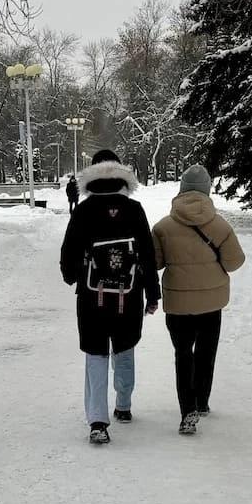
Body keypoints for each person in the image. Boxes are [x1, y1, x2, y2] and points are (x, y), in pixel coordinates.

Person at [59, 149, 160, 445]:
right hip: (128, 295)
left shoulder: (84, 210)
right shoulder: (134, 208)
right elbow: (148, 254)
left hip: (92, 297)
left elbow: (69, 253)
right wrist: (152, 294)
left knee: (96, 354)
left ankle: (97, 422)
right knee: (125, 348)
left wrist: (74, 275)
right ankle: (124, 405)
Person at [152, 164, 245, 436]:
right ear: (207, 190)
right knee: (206, 352)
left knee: (183, 354)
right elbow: (235, 261)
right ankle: (202, 400)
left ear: (181, 189)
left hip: (178, 304)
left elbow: (155, 263)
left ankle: (187, 411)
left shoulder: (162, 227)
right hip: (211, 302)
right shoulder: (220, 225)